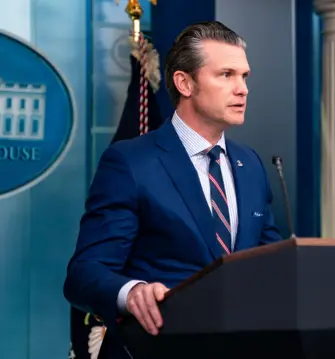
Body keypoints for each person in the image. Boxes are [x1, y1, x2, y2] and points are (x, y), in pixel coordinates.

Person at [63, 21, 282, 358]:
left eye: (244, 76)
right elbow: (84, 274)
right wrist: (132, 291)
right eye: (226, 75)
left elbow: (270, 263)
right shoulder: (131, 162)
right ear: (185, 82)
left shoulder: (250, 164)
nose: (242, 89)